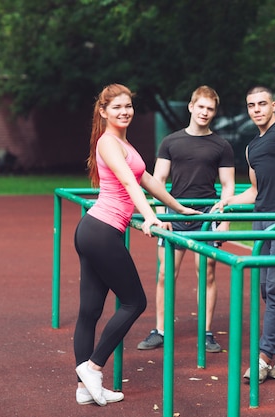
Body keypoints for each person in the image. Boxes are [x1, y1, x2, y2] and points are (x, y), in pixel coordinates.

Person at [73, 84, 201, 406]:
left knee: (89, 312)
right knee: (135, 302)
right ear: (103, 112)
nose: (125, 112)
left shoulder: (123, 142)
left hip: (93, 230)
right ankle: (93, 367)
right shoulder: (108, 143)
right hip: (101, 231)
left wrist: (177, 207)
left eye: (128, 106)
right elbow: (129, 182)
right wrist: (151, 219)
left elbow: (147, 180)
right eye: (117, 107)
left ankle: (84, 388)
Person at [211, 86, 275, 383]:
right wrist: (229, 201)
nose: (256, 109)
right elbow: (255, 191)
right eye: (251, 105)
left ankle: (264, 356)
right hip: (262, 221)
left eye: (262, 104)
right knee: (269, 288)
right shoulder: (252, 146)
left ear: (273, 105)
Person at [137, 86, 235, 353]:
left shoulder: (221, 145)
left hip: (206, 216)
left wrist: (224, 219)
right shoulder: (170, 142)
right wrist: (159, 214)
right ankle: (160, 330)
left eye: (210, 109)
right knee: (165, 274)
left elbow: (228, 185)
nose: (205, 112)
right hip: (175, 213)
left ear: (214, 113)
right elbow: (158, 180)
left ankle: (206, 332)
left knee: (207, 274)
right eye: (200, 107)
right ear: (191, 107)